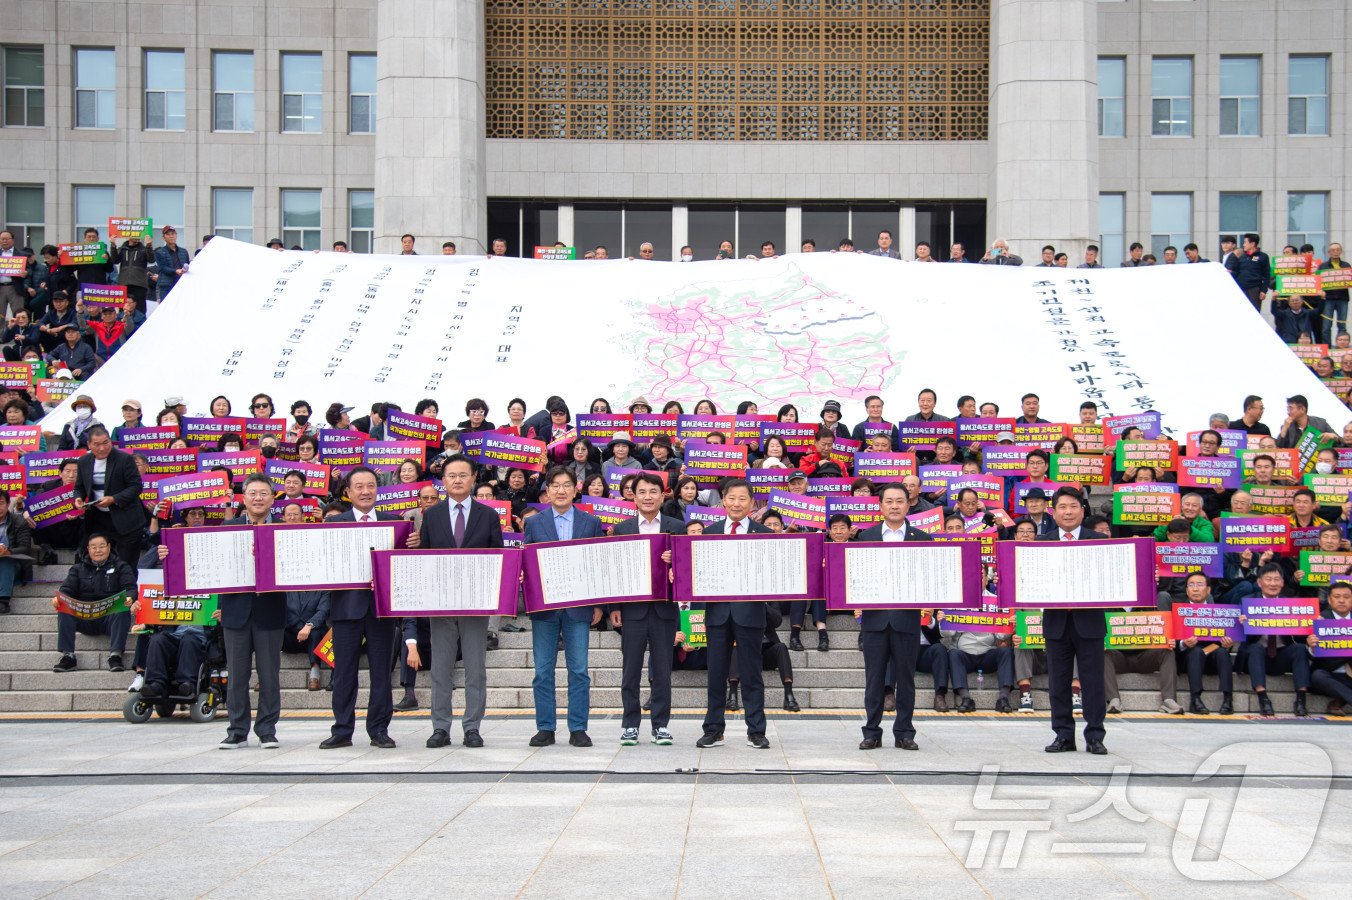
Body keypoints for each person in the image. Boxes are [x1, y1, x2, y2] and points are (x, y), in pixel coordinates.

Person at [322, 466, 421, 749]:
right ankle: (341, 730)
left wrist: (412, 544)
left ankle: (379, 729)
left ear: (377, 489)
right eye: (359, 487)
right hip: (345, 608)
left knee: (381, 672)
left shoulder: (395, 523)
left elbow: (405, 567)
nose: (366, 491)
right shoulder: (334, 523)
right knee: (343, 672)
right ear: (348, 492)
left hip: (382, 609)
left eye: (371, 486)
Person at [420, 454, 503, 750]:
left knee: (475, 668)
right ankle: (440, 727)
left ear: (473, 478)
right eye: (451, 475)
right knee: (440, 668)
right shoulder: (432, 515)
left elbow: (497, 559)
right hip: (441, 604)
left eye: (462, 475)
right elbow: (424, 560)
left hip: (475, 602)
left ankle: (472, 727)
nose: (457, 480)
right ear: (443, 481)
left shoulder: (488, 515)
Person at [523, 466, 604, 747]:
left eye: (566, 485)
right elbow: (527, 566)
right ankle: (545, 727)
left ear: (575, 488)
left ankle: (578, 727)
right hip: (544, 608)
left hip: (578, 606)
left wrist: (598, 604)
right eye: (555, 485)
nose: (560, 490)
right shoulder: (534, 523)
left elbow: (597, 565)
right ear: (547, 490)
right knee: (543, 671)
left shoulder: (591, 523)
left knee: (579, 670)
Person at [855, 482, 934, 750]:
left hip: (907, 619)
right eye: (889, 501)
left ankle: (904, 732)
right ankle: (871, 732)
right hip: (875, 620)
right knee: (874, 679)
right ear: (880, 506)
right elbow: (857, 576)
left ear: (908, 503)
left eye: (899, 501)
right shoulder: (866, 537)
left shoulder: (922, 539)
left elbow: (928, 579)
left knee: (906, 679)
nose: (894, 506)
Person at [697, 478, 773, 750]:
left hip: (750, 613)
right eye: (731, 498)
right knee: (716, 672)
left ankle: (756, 730)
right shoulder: (710, 532)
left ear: (751, 503)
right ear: (723, 502)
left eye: (743, 499)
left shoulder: (764, 534)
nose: (737, 504)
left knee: (752, 673)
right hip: (717, 613)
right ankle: (714, 729)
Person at [609, 473, 684, 746]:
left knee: (662, 670)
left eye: (653, 491)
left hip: (665, 609)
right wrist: (614, 607)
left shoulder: (677, 526)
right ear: (633, 496)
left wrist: (676, 559)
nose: (648, 497)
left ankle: (660, 725)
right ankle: (630, 724)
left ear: (663, 495)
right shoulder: (622, 529)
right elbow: (614, 572)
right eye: (642, 492)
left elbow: (688, 568)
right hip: (632, 610)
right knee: (630, 670)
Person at [1038, 487, 1108, 754]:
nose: (1068, 512)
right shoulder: (1041, 543)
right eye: (1062, 507)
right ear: (1053, 512)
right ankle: (1063, 735)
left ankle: (1095, 736)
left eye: (1073, 506)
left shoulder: (1098, 540)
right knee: (1058, 682)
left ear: (1082, 509)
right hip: (1056, 622)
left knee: (1092, 681)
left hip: (1089, 621)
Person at [50, 532, 136, 673]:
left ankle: (115, 656)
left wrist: (129, 597)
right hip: (85, 617)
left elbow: (130, 588)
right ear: (88, 549)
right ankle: (68, 656)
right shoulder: (78, 568)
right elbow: (66, 589)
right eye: (93, 547)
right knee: (64, 608)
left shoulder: (121, 566)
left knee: (122, 610)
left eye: (102, 546)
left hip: (110, 616)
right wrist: (59, 599)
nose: (98, 550)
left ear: (109, 547)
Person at [1241, 563, 1312, 717]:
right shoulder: (1247, 601)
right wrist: (1243, 625)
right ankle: (1263, 698)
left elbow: (1299, 637)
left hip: (1281, 655)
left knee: (1300, 649)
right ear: (1259, 583)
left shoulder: (1290, 604)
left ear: (1282, 582)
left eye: (1276, 579)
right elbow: (1242, 638)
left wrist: (1309, 625)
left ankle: (1301, 699)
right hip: (1256, 657)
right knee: (1255, 648)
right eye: (1268, 579)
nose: (1272, 584)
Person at [74, 425, 144, 566]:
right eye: (97, 444)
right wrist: (78, 498)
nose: (102, 448)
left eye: (105, 443)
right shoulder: (83, 462)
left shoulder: (124, 459)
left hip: (126, 518)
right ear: (89, 445)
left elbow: (136, 486)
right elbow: (79, 487)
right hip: (99, 518)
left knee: (126, 565)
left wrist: (114, 499)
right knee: (98, 563)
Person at [1172, 572, 1234, 715]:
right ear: (1186, 590)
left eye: (1200, 585)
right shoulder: (1177, 610)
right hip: (1188, 658)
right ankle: (1195, 699)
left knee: (1222, 652)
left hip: (1212, 655)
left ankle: (1228, 699)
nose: (1195, 589)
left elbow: (1223, 640)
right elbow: (1172, 643)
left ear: (1208, 589)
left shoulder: (1219, 612)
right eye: (1191, 585)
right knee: (1195, 652)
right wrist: (1183, 644)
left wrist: (1227, 644)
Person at [1309, 581, 1352, 715]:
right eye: (1337, 596)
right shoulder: (1321, 619)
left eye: (1346, 597)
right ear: (1329, 599)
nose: (1341, 600)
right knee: (1317, 676)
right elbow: (1320, 659)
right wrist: (1311, 646)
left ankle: (1338, 702)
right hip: (1331, 674)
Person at [0, 488, 33, 615]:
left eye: (1, 503)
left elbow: (25, 548)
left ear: (8, 504)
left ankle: (3, 601)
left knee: (6, 559)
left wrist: (7, 552)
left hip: (15, 565)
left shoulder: (18, 521)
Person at [154, 226, 190, 301]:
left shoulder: (184, 251)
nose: (171, 236)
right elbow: (163, 268)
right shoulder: (160, 252)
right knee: (166, 310)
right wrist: (175, 271)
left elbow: (188, 265)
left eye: (173, 234)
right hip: (166, 286)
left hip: (182, 285)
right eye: (168, 234)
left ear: (176, 236)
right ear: (163, 238)